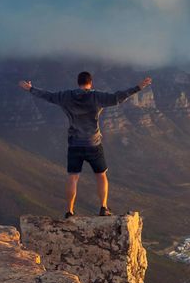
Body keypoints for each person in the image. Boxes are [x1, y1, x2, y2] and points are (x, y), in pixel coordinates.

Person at [18, 71, 152, 219]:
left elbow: (48, 96)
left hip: (75, 144)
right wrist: (138, 87)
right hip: (93, 143)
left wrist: (31, 88)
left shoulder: (66, 96)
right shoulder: (96, 96)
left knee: (73, 177)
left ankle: (69, 211)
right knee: (101, 175)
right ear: (91, 82)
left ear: (78, 82)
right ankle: (103, 207)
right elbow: (117, 97)